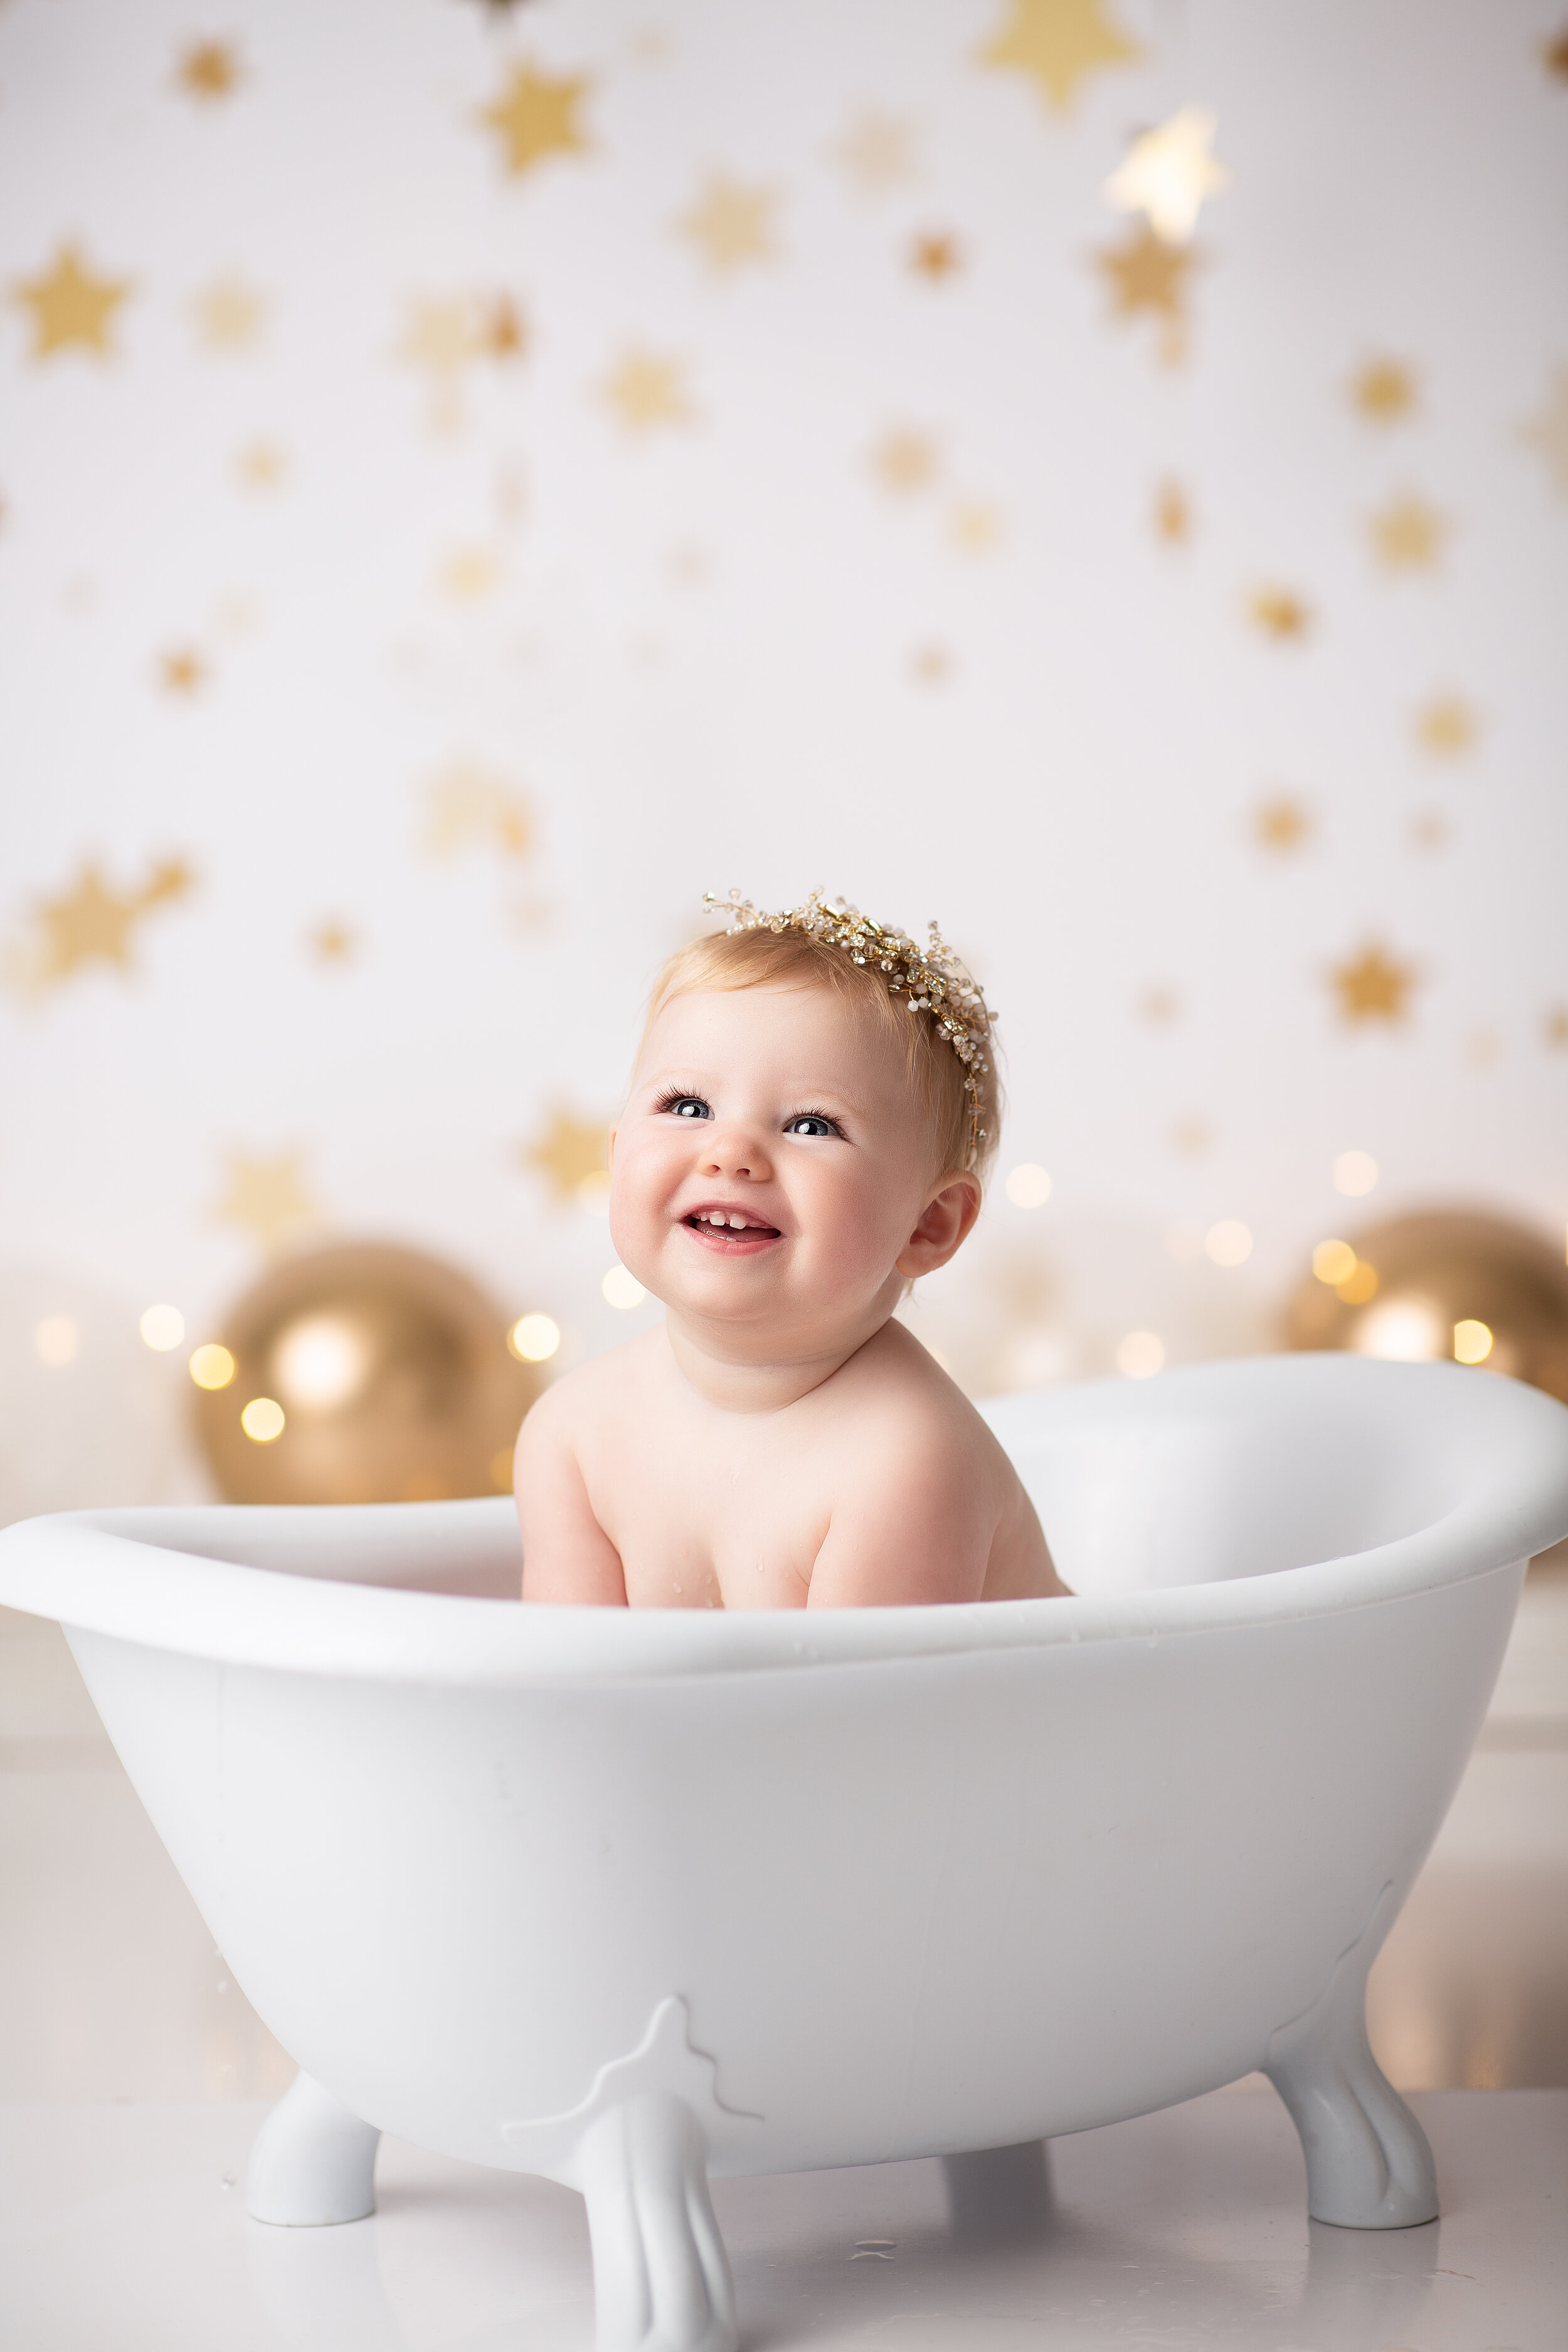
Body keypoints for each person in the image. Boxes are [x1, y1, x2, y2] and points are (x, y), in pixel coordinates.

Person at [515, 890, 1066, 1606]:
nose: (731, 1151)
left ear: (927, 1225)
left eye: (811, 1125)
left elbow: (858, 1720)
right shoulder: (573, 1437)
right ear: (617, 1157)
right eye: (687, 1107)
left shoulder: (903, 1462)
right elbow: (569, 1696)